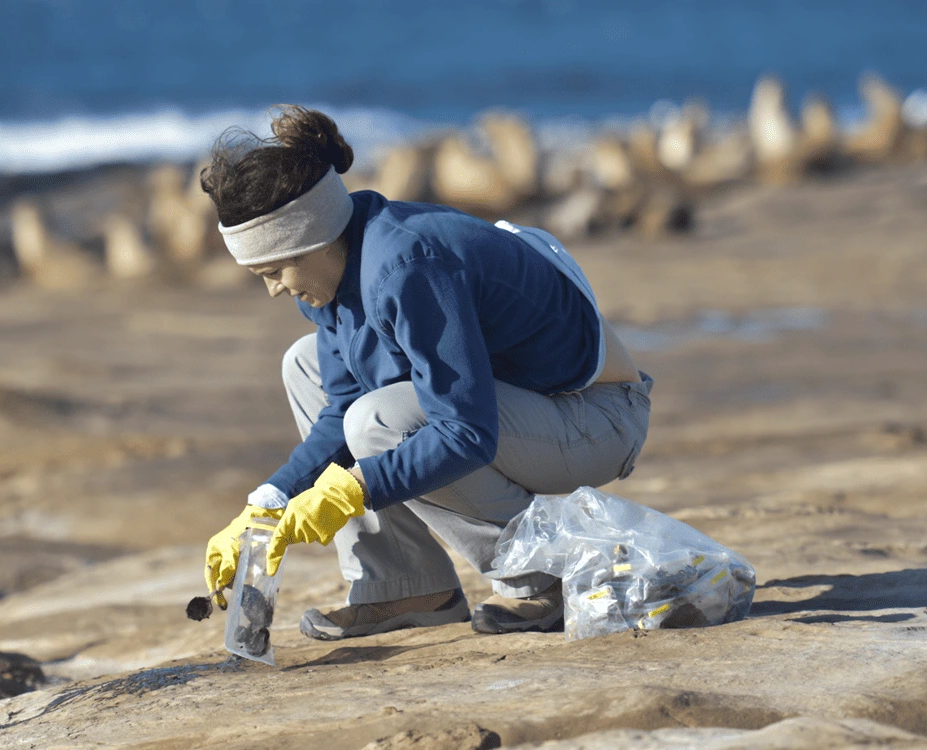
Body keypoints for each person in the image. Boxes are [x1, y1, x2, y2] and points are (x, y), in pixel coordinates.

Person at [200, 106, 652, 640]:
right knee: (304, 365)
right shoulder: (334, 271)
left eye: (274, 272)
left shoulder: (407, 265)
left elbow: (464, 432)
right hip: (526, 411)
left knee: (379, 424)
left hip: (597, 416)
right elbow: (340, 404)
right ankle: (406, 587)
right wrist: (267, 504)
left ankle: (543, 578)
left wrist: (351, 489)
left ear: (311, 239)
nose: (274, 289)